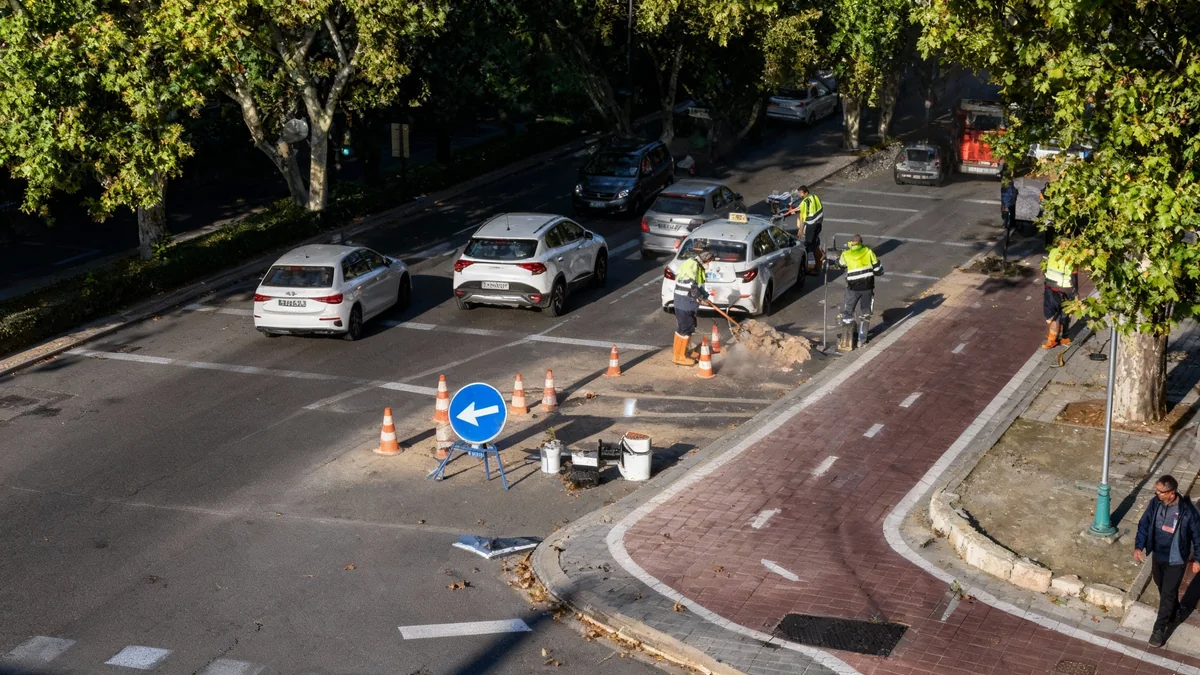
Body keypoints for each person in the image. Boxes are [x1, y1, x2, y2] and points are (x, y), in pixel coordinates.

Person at [1134, 475, 1200, 648]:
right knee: (1161, 585)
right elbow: (1144, 524)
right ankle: (1175, 611)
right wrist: (1139, 546)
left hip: (1176, 559)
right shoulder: (1155, 503)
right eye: (1156, 490)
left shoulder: (1188, 512)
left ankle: (1159, 630)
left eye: (1160, 491)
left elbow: (1198, 537)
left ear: (1171, 493)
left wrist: (1197, 559)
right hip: (1158, 556)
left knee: (1167, 594)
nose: (1157, 494)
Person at [833, 235, 883, 348]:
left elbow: (840, 264)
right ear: (861, 242)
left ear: (851, 243)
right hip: (867, 287)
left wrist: (837, 260)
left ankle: (847, 338)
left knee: (848, 312)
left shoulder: (846, 254)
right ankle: (862, 339)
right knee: (865, 313)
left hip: (853, 287)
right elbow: (878, 269)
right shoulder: (868, 251)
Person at [672, 250, 715, 366]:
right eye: (709, 262)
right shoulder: (693, 266)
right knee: (685, 329)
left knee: (685, 327)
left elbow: (698, 285)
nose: (709, 264)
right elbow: (691, 286)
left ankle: (680, 353)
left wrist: (705, 296)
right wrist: (700, 299)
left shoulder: (697, 265)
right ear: (705, 260)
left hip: (685, 302)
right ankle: (679, 356)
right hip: (684, 302)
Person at [1042, 244, 1078, 349]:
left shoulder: (1053, 251)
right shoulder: (1072, 256)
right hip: (1065, 290)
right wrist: (1076, 292)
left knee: (1051, 316)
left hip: (1050, 288)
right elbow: (1074, 275)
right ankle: (1061, 338)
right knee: (1064, 315)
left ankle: (1053, 339)